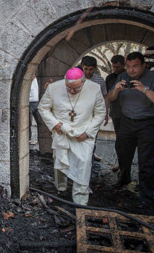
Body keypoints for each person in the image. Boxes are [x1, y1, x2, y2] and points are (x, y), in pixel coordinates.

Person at [38, 67, 106, 205]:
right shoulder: (54, 88)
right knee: (60, 162)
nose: (72, 91)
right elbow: (43, 107)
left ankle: (80, 200)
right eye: (68, 87)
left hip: (83, 134)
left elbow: (100, 113)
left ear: (83, 81)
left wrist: (87, 133)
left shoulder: (95, 88)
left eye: (76, 88)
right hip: (61, 131)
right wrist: (55, 124)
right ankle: (61, 189)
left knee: (84, 164)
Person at [106, 52, 154, 208]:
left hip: (148, 123)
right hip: (127, 121)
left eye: (135, 66)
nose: (131, 70)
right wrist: (117, 89)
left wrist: (145, 90)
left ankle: (146, 196)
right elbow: (109, 98)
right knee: (123, 153)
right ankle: (124, 178)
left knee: (146, 161)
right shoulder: (122, 76)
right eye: (129, 66)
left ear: (144, 66)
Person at [81, 56, 108, 161]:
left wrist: (105, 113)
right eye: (86, 69)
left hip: (94, 114)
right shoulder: (77, 78)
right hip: (79, 114)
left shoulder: (100, 81)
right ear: (82, 67)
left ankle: (90, 156)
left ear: (95, 68)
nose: (88, 72)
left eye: (91, 69)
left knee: (92, 137)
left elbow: (104, 96)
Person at [105, 55, 126, 171]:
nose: (115, 69)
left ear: (123, 65)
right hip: (116, 112)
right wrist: (106, 112)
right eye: (113, 67)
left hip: (129, 113)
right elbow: (107, 96)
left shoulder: (129, 76)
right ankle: (121, 162)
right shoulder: (110, 78)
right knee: (120, 140)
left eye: (118, 67)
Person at [29, 73, 42, 145]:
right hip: (29, 103)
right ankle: (29, 139)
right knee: (28, 122)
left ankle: (40, 138)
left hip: (37, 102)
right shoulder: (27, 81)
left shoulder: (37, 80)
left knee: (39, 121)